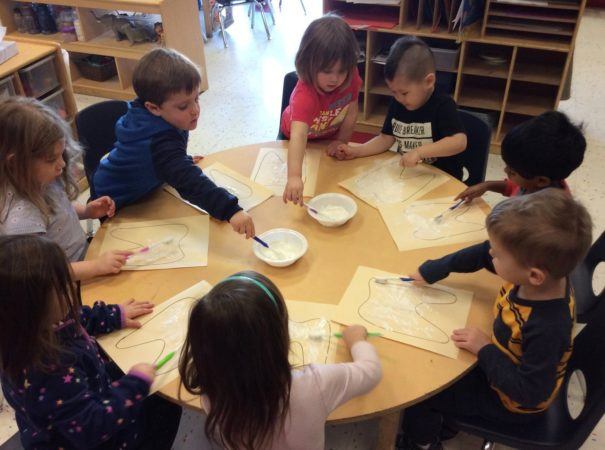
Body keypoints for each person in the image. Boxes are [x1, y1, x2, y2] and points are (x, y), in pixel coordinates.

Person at [397, 189, 592, 449]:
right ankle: (448, 424)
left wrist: (484, 348)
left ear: (534, 275)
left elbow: (530, 392)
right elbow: (481, 253)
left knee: (422, 394)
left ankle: (421, 443)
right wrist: (437, 268)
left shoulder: (547, 327)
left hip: (510, 401)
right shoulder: (537, 275)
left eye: (497, 255)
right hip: (501, 360)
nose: (491, 255)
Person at [0, 234, 182, 449]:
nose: (70, 288)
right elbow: (93, 427)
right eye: (61, 286)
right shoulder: (49, 370)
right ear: (33, 308)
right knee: (166, 406)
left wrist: (115, 315)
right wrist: (136, 384)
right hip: (89, 437)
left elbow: (77, 318)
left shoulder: (26, 328)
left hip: (85, 389)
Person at [179, 271, 383, 450]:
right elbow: (371, 371)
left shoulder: (210, 389)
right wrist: (356, 340)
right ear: (280, 336)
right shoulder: (314, 384)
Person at [93, 48, 255, 238]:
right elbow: (189, 182)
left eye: (197, 98)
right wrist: (230, 210)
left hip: (144, 185)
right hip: (117, 200)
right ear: (153, 108)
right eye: (183, 106)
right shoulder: (160, 143)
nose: (195, 110)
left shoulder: (162, 121)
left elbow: (161, 154)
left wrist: (176, 161)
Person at [0, 97, 130, 281]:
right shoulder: (21, 221)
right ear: (15, 163)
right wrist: (96, 266)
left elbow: (57, 209)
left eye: (61, 154)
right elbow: (46, 274)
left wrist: (86, 211)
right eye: (51, 159)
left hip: (84, 258)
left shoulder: (40, 179)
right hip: (67, 284)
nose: (61, 164)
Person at [332, 36, 467, 179]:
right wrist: (357, 151)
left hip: (443, 181)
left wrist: (419, 152)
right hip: (411, 177)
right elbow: (385, 139)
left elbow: (459, 142)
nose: (398, 98)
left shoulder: (443, 105)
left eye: (404, 92)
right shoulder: (399, 103)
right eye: (393, 92)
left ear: (429, 81)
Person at [281, 15, 362, 205]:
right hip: (294, 137)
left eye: (341, 71)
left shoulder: (350, 78)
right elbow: (298, 136)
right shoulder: (304, 95)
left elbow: (351, 111)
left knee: (329, 184)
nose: (335, 79)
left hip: (326, 135)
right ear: (308, 65)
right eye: (327, 71)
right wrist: (294, 177)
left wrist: (341, 140)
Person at [456, 111, 585, 202]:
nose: (505, 171)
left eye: (512, 172)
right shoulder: (536, 181)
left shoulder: (546, 219)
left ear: (541, 181)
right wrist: (487, 185)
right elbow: (515, 187)